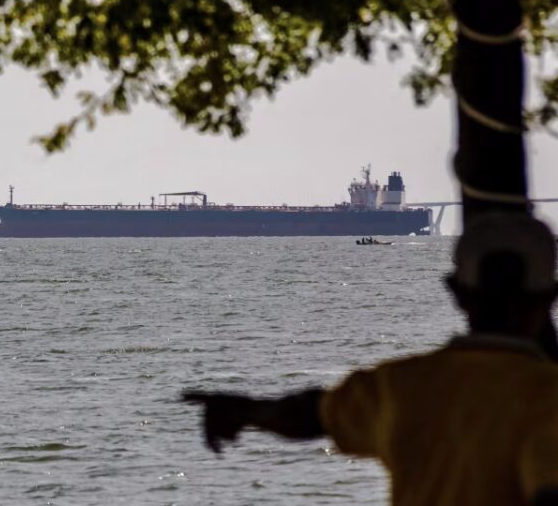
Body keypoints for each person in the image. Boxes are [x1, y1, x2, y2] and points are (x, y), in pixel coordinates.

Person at [184, 213, 558, 505]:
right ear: (550, 295)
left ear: (456, 293)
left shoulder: (399, 386)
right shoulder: (547, 398)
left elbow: (311, 413)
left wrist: (245, 411)